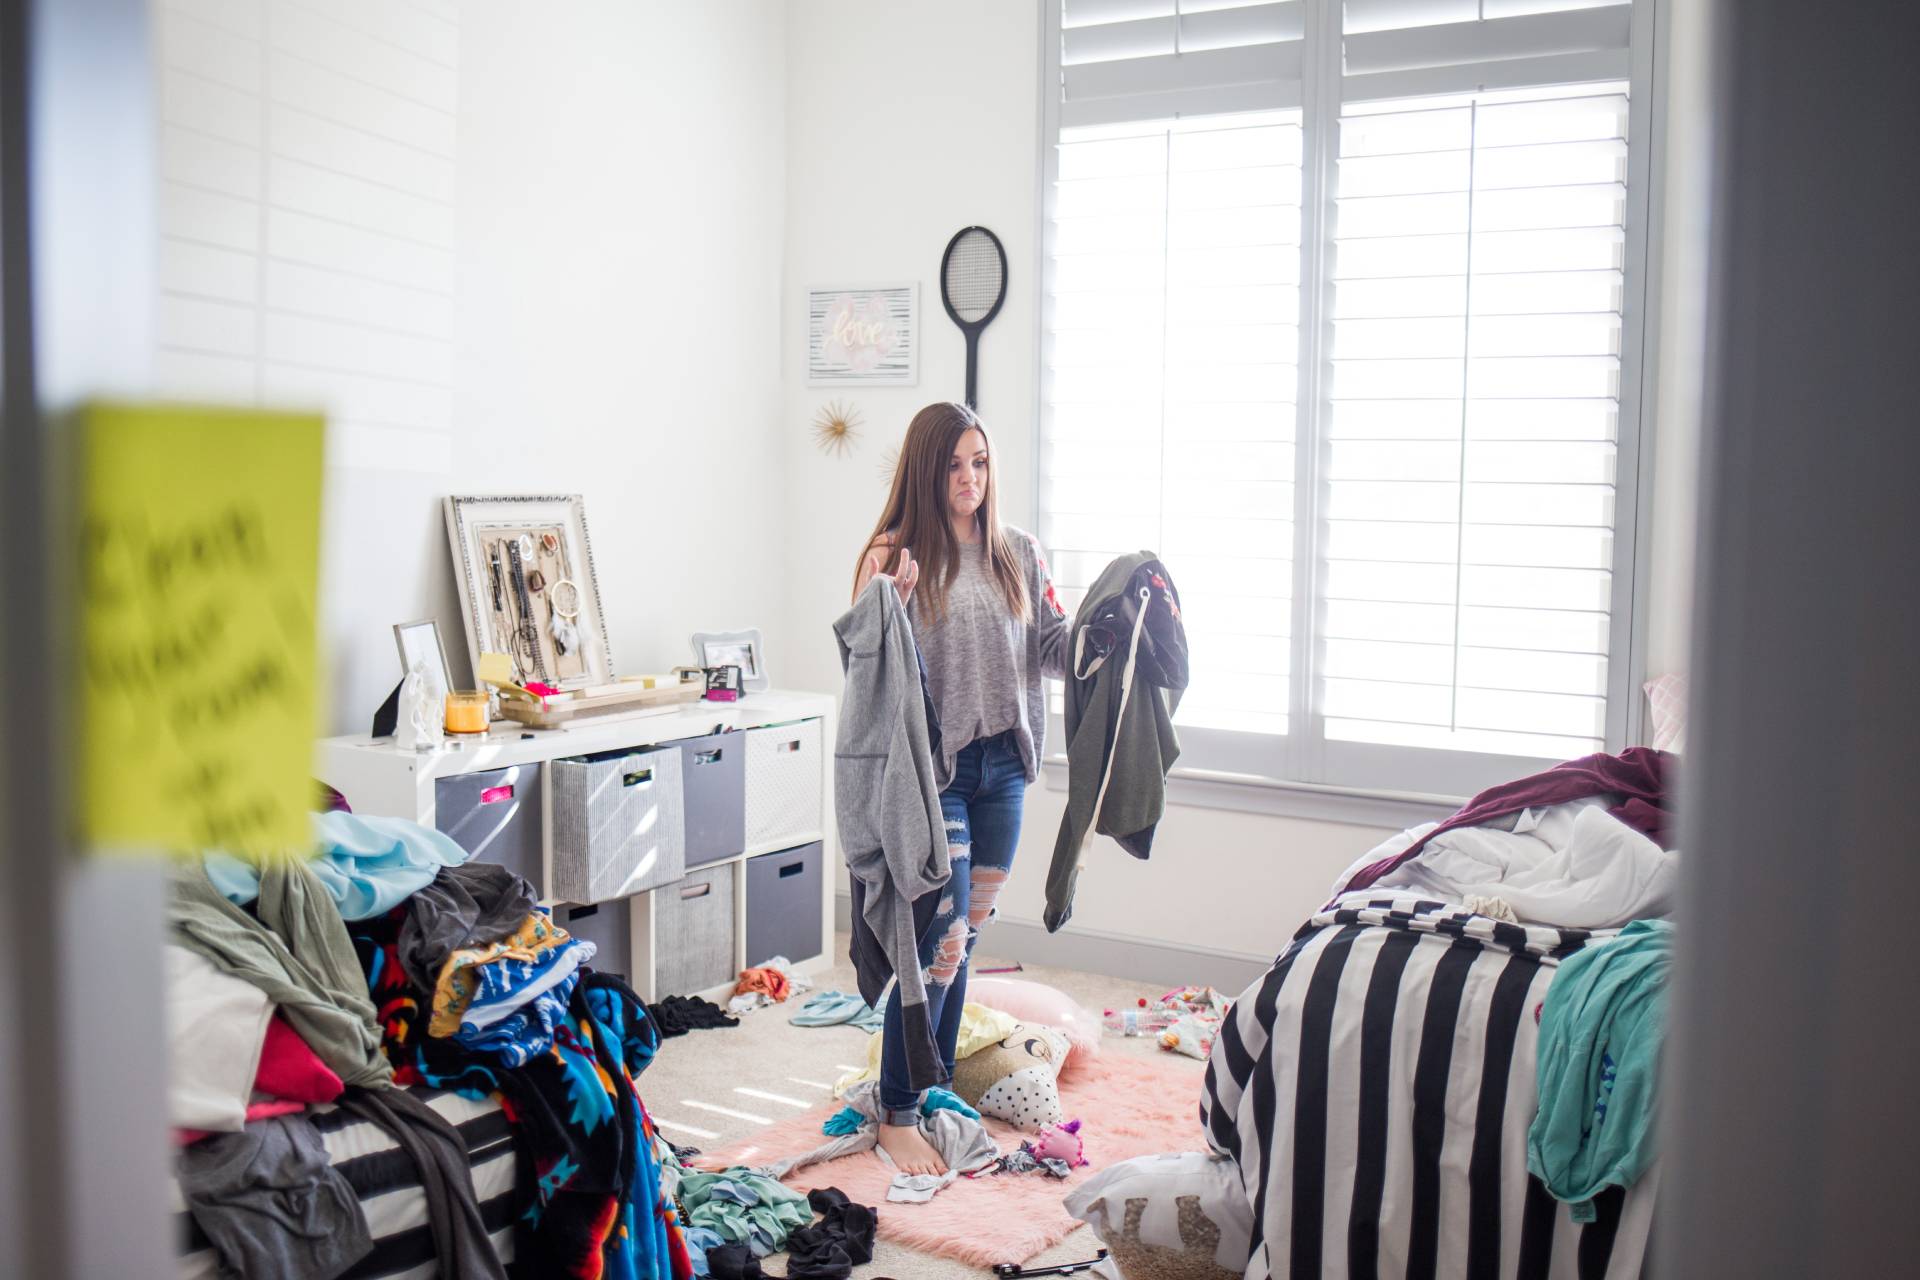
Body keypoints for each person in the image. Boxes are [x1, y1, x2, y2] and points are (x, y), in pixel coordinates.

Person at [851, 400, 1070, 1176]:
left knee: (965, 940)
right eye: (953, 464)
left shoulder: (1019, 553)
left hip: (1002, 767)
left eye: (980, 462)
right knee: (935, 943)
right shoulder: (894, 553)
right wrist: (893, 606)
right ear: (926, 467)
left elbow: (1051, 648)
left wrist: (1110, 631)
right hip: (932, 774)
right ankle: (898, 1110)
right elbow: (865, 675)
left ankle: (934, 1085)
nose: (970, 477)